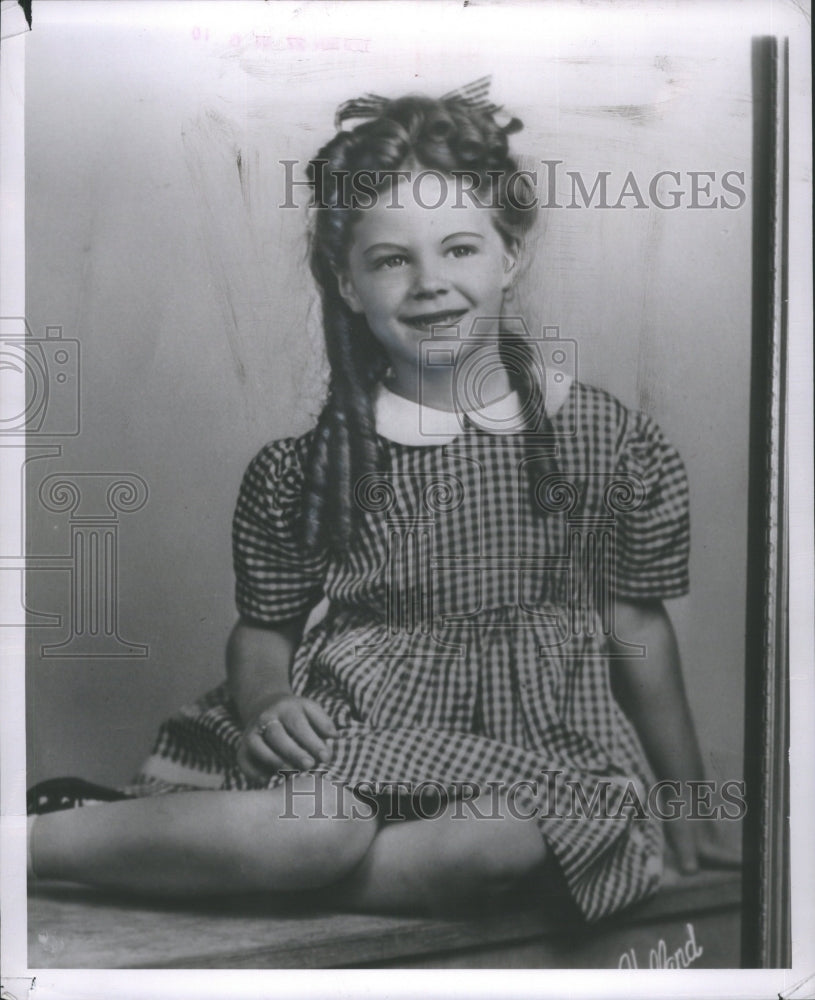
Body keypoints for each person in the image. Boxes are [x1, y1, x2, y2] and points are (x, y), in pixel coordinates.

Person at [27, 83, 739, 923]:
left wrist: (687, 796)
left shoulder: (607, 441)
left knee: (508, 843)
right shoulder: (308, 466)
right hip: (359, 739)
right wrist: (266, 703)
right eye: (392, 258)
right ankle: (37, 840)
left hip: (539, 750)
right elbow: (265, 632)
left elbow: (637, 628)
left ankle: (242, 871)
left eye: (460, 249)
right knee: (315, 831)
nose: (429, 283)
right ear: (348, 281)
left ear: (509, 254)